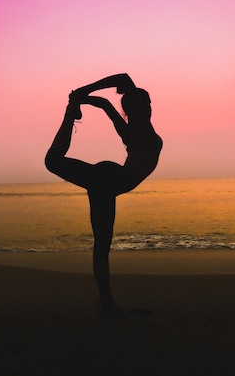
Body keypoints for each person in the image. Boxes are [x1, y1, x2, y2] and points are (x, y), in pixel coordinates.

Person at [44, 73, 162, 317]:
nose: (148, 107)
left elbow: (106, 104)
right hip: (111, 179)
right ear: (141, 107)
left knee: (101, 246)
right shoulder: (140, 126)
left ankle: (107, 304)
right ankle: (107, 304)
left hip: (106, 182)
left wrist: (80, 98)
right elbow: (124, 78)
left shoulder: (130, 131)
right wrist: (83, 91)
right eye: (146, 104)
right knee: (101, 246)